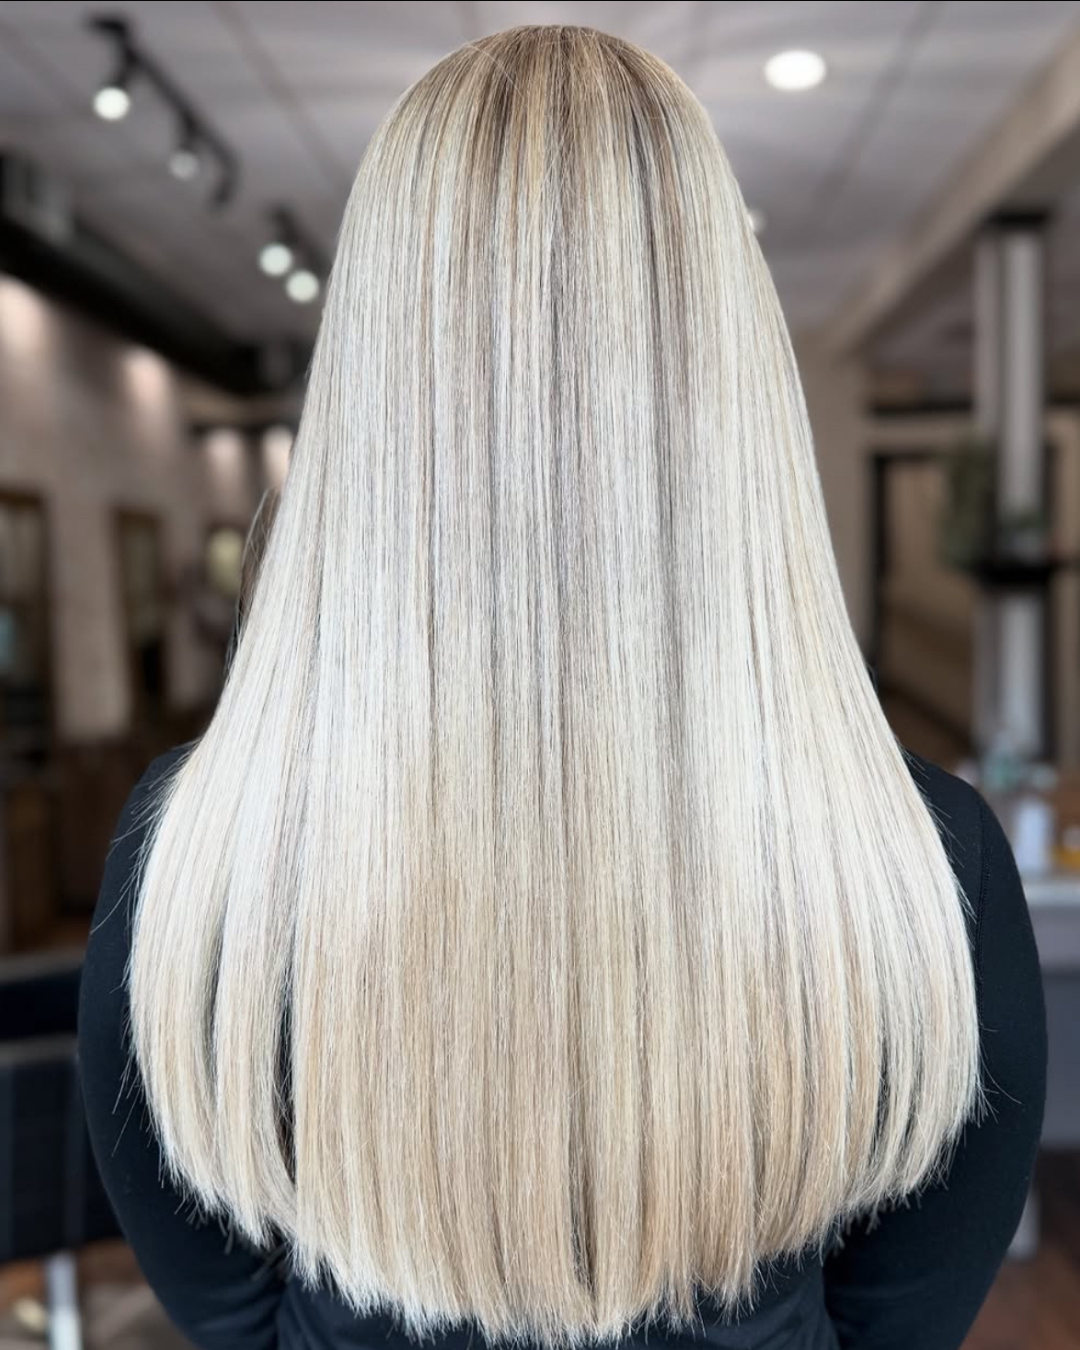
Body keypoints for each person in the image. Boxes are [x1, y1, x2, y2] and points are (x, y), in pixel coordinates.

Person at [78, 24, 1045, 1350]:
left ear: (368, 383)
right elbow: (898, 1314)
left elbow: (226, 1305)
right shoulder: (925, 861)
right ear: (734, 377)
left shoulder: (195, 852)